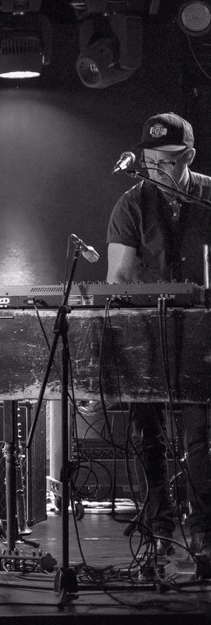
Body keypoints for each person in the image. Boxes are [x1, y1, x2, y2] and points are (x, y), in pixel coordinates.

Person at [106, 111, 211, 559]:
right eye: (150, 162)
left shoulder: (208, 195)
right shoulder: (131, 204)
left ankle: (205, 531)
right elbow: (118, 278)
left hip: (203, 337)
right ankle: (159, 526)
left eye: (167, 162)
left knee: (201, 438)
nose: (157, 170)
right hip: (147, 333)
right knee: (148, 435)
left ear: (189, 156)